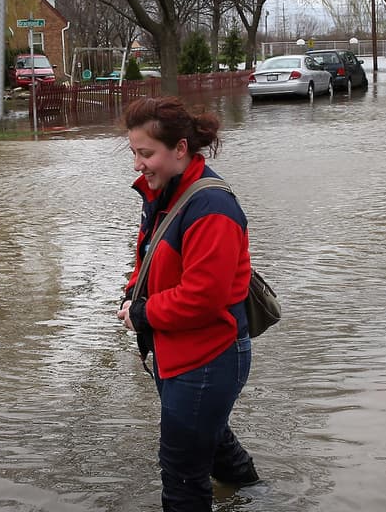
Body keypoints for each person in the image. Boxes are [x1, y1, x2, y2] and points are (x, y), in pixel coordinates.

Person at [116, 96, 259, 511]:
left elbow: (203, 298)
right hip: (178, 350)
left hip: (209, 356)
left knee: (181, 474)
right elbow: (151, 258)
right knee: (210, 444)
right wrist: (132, 292)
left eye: (146, 154)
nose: (137, 164)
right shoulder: (165, 191)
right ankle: (256, 496)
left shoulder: (212, 207)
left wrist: (141, 314)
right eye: (134, 153)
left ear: (180, 149)